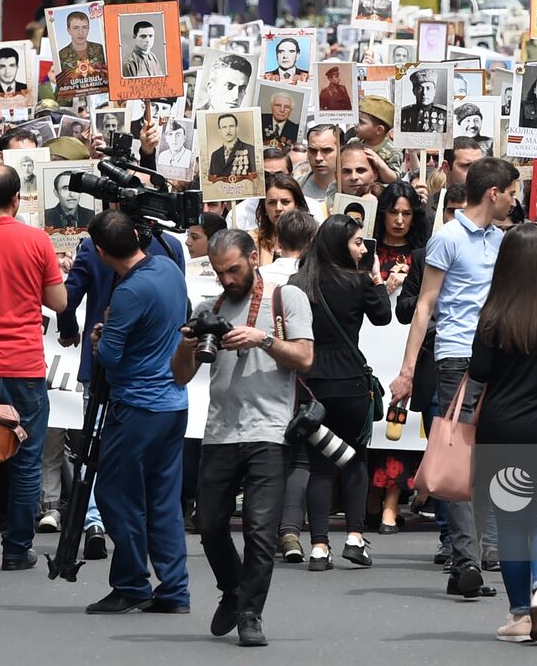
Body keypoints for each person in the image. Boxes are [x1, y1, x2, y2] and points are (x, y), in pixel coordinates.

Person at [177, 229, 313, 646]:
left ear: (255, 257)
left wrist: (264, 339)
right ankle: (233, 590)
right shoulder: (209, 306)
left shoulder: (285, 298)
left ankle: (251, 614)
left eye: (234, 269)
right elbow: (179, 376)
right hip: (219, 430)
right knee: (210, 524)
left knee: (259, 529)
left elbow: (305, 357)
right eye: (219, 272)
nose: (227, 279)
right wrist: (187, 343)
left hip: (269, 429)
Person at [390, 157, 519, 597]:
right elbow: (425, 305)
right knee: (459, 455)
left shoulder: (504, 240)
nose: (516, 201)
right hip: (457, 359)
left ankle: (485, 549)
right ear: (494, 193)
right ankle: (466, 561)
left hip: (498, 359)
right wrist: (407, 371)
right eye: (513, 192)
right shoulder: (446, 237)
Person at [468, 224, 537, 644]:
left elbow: (480, 371)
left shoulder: (493, 313)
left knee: (511, 522)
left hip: (503, 427)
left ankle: (519, 613)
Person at [0, 166, 68, 576]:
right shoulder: (36, 240)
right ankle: (18, 548)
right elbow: (58, 302)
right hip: (23, 364)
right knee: (26, 457)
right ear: (17, 198)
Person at [80, 211, 190, 614]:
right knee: (163, 499)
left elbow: (108, 355)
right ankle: (174, 589)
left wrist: (101, 335)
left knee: (115, 494)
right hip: (173, 404)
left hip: (137, 406)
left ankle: (131, 582)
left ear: (101, 251)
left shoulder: (130, 292)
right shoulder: (167, 267)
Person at [290, 215, 391, 571]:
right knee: (355, 460)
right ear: (339, 245)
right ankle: (354, 537)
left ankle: (318, 546)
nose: (363, 248)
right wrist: (375, 276)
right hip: (349, 382)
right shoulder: (357, 280)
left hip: (310, 385)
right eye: (357, 242)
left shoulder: (297, 283)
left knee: (319, 467)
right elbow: (382, 316)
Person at [208, 113, 256, 178]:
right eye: (224, 127)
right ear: (220, 131)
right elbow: (212, 180)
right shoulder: (215, 155)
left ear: (237, 128)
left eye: (231, 126)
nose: (228, 131)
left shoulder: (251, 150)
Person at [58, 10, 106, 74]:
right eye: (76, 28)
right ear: (68, 30)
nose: (81, 33)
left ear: (89, 28)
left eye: (84, 27)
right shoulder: (61, 55)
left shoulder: (100, 49)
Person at [401, 69, 448, 133]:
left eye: (428, 88)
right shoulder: (403, 113)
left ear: (434, 92)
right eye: (420, 88)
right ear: (414, 91)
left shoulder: (445, 113)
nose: (424, 93)